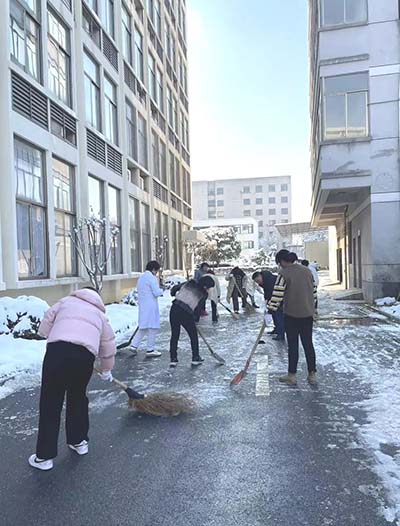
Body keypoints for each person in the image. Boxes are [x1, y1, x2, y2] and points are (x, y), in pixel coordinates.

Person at [28, 287, 117, 471]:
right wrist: (107, 369)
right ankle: (79, 441)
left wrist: (45, 333)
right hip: (84, 356)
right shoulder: (100, 315)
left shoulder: (66, 302)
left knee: (51, 400)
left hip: (57, 351)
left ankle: (44, 457)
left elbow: (47, 319)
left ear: (80, 293)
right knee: (77, 396)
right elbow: (108, 344)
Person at [267, 250, 317, 386]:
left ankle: (292, 375)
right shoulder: (307, 271)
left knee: (293, 345)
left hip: (292, 315)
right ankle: (312, 374)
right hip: (307, 314)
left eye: (279, 263)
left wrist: (270, 308)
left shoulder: (284, 274)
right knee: (308, 344)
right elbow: (314, 292)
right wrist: (314, 309)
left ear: (282, 261)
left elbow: (278, 294)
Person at [169, 276, 215, 367]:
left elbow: (174, 289)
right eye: (209, 287)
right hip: (186, 313)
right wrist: (195, 319)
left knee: (175, 334)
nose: (209, 289)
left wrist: (175, 294)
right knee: (193, 335)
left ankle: (173, 358)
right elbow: (198, 308)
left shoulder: (190, 283)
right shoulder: (203, 294)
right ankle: (195, 357)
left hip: (174, 308)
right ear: (206, 286)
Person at [129, 260, 164, 358]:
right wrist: (162, 290)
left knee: (143, 327)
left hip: (143, 305)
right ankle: (150, 349)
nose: (156, 273)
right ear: (153, 269)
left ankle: (134, 345)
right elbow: (156, 292)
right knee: (153, 328)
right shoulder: (152, 278)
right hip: (151, 306)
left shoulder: (141, 277)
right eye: (156, 271)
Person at [252, 270, 285, 341]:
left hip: (279, 299)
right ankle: (277, 329)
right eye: (257, 282)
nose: (258, 283)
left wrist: (270, 303)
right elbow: (267, 292)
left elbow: (271, 292)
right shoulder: (265, 280)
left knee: (278, 315)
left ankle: (281, 333)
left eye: (258, 280)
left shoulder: (269, 280)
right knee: (274, 315)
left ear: (260, 276)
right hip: (273, 299)